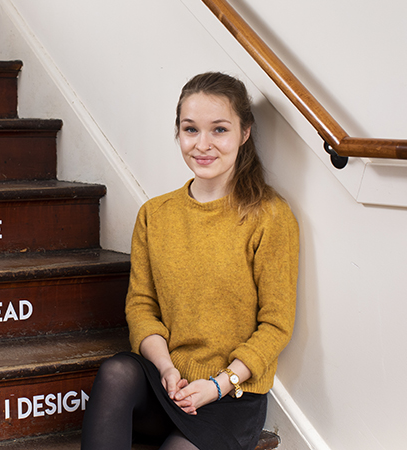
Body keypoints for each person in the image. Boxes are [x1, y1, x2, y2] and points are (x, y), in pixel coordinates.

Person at [80, 72, 300, 450]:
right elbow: (141, 306)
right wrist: (166, 369)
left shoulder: (269, 216)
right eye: (190, 129)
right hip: (168, 384)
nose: (202, 145)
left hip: (232, 395)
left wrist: (218, 385)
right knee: (117, 371)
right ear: (178, 133)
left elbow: (276, 325)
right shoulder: (155, 214)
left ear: (244, 133)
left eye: (219, 130)